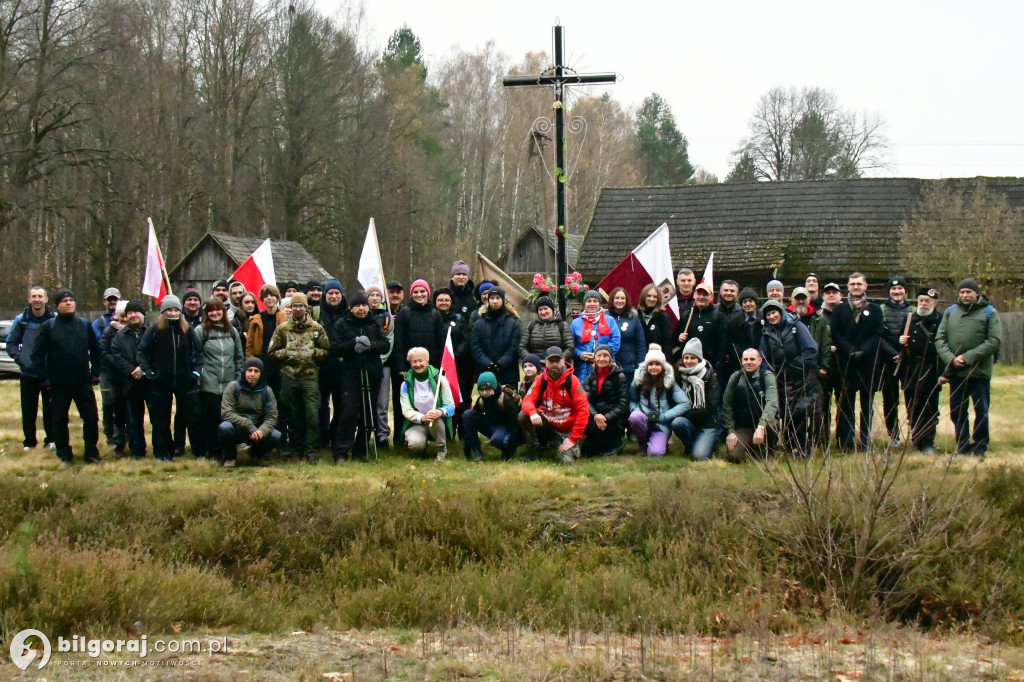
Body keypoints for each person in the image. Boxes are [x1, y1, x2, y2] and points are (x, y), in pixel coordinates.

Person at [30, 288, 101, 464]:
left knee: (91, 418)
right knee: (60, 419)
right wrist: (44, 379)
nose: (68, 303)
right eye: (64, 301)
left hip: (82, 382)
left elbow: (96, 350)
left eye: (71, 300)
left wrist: (95, 373)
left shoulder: (84, 325)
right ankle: (63, 453)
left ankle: (91, 452)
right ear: (57, 306)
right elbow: (37, 355)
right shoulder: (49, 327)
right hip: (58, 383)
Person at [936, 278, 1002, 456]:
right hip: (955, 372)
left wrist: (967, 358)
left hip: (978, 372)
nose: (965, 295)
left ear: (977, 294)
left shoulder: (989, 313)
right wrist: (951, 359)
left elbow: (994, 341)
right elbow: (940, 339)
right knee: (957, 411)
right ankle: (963, 446)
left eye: (968, 292)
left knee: (981, 411)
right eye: (962, 292)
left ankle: (980, 446)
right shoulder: (950, 312)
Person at [138, 295, 202, 461]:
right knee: (161, 419)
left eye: (176, 310)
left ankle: (199, 451)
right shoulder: (154, 330)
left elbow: (199, 352)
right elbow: (142, 353)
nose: (173, 313)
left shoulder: (187, 329)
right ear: (163, 312)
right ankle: (163, 452)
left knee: (193, 416)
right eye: (169, 310)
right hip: (161, 382)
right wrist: (150, 374)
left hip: (185, 381)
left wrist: (195, 373)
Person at [268, 292, 330, 462]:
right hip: (289, 377)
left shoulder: (316, 328)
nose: (298, 308)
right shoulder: (283, 329)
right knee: (293, 416)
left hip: (310, 377)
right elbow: (271, 352)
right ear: (291, 308)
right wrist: (287, 353)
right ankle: (295, 451)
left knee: (312, 415)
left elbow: (326, 350)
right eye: (295, 305)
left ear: (306, 308)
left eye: (301, 305)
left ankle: (311, 453)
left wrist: (313, 352)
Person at [330, 291, 389, 462]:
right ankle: (341, 452)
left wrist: (370, 346)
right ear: (351, 308)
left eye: (363, 305)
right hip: (351, 373)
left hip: (372, 372)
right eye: (357, 305)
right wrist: (353, 343)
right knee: (348, 412)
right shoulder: (342, 323)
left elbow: (385, 345)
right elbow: (335, 347)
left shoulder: (374, 322)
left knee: (368, 413)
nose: (361, 308)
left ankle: (361, 450)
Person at [830, 273, 883, 451]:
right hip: (846, 363)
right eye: (852, 284)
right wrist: (850, 351)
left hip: (867, 363)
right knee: (846, 404)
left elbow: (878, 333)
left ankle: (866, 441)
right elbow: (836, 334)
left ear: (865, 286)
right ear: (848, 286)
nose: (856, 287)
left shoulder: (875, 309)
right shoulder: (839, 309)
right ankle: (847, 441)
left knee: (867, 405)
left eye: (859, 284)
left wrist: (864, 351)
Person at [760, 299, 819, 457]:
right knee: (785, 412)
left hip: (801, 377)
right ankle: (789, 445)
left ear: (780, 312)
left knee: (799, 412)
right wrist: (770, 373)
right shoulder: (766, 332)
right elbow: (763, 357)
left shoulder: (796, 326)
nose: (772, 316)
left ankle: (802, 448)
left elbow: (811, 349)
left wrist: (798, 365)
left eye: (774, 312)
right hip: (780, 378)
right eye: (768, 314)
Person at [519, 346, 589, 464]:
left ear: (563, 361)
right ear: (546, 363)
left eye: (557, 360)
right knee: (523, 415)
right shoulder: (540, 379)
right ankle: (534, 449)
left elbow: (583, 411)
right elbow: (527, 400)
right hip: (547, 424)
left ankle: (561, 444)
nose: (555, 364)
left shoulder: (573, 381)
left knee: (567, 462)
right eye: (551, 361)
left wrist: (573, 438)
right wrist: (532, 413)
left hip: (566, 430)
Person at [194, 297, 244, 461]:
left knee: (228, 419)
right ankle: (214, 453)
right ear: (206, 313)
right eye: (211, 310)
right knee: (211, 419)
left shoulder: (232, 331)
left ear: (223, 311)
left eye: (218, 310)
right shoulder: (201, 331)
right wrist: (199, 378)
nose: (215, 313)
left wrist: (238, 378)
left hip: (229, 384)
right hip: (209, 384)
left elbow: (239, 357)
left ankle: (228, 451)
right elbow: (195, 356)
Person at [7, 285, 55, 450]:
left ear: (46, 299)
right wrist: (21, 360)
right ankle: (29, 442)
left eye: (40, 296)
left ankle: (51, 440)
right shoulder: (21, 320)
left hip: (49, 373)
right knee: (28, 410)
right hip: (28, 373)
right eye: (34, 296)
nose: (37, 300)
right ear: (29, 299)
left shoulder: (54, 320)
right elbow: (11, 343)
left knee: (51, 409)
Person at [900, 288, 942, 454]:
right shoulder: (909, 319)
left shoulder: (940, 320)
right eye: (921, 301)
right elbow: (900, 341)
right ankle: (916, 440)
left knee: (930, 407)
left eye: (927, 301)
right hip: (911, 368)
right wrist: (900, 340)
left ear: (935, 303)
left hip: (931, 369)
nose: (923, 304)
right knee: (912, 406)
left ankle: (928, 442)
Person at [219, 357, 282, 467]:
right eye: (249, 370)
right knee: (225, 428)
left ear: (261, 373)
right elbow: (226, 413)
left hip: (257, 431)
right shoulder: (233, 387)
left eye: (256, 371)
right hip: (237, 428)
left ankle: (255, 455)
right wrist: (248, 425)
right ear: (245, 372)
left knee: (276, 435)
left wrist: (262, 431)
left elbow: (272, 416)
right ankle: (230, 457)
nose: (252, 374)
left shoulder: (267, 391)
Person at [627, 347, 690, 457]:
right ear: (646, 366)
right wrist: (635, 410)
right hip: (643, 418)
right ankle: (642, 444)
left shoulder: (669, 382)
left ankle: (661, 443)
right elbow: (632, 400)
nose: (654, 367)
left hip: (661, 424)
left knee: (656, 453)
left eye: (657, 364)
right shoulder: (638, 380)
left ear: (663, 366)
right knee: (635, 417)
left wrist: (665, 416)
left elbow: (685, 403)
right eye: (651, 364)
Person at [109, 300, 150, 459]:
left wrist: (143, 369)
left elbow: (157, 353)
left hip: (151, 381)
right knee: (134, 420)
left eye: (136, 312)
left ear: (143, 314)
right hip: (130, 382)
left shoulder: (152, 331)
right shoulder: (120, 335)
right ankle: (138, 451)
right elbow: (116, 355)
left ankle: (161, 450)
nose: (133, 315)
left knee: (158, 419)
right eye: (129, 313)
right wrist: (132, 371)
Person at [722, 348, 779, 462]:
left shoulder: (767, 377)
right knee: (733, 457)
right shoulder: (735, 377)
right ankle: (752, 447)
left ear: (760, 361)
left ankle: (769, 449)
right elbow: (727, 405)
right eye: (746, 359)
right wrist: (731, 431)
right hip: (744, 426)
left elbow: (772, 403)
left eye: (752, 359)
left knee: (771, 424)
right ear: (742, 361)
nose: (749, 362)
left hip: (764, 424)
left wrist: (761, 426)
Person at [400, 346, 456, 460]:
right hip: (417, 423)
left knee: (434, 417)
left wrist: (440, 412)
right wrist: (422, 418)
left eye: (421, 361)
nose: (418, 364)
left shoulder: (440, 380)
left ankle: (442, 448)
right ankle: (421, 447)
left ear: (427, 361)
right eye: (414, 361)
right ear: (410, 363)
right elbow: (406, 410)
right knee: (415, 444)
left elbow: (451, 406)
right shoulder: (406, 384)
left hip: (437, 422)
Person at [672, 338, 720, 461]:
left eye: (692, 358)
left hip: (707, 422)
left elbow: (711, 405)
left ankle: (711, 442)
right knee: (677, 423)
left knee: (700, 457)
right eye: (686, 357)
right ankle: (690, 446)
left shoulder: (709, 375)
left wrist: (687, 413)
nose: (689, 361)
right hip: (688, 421)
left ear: (699, 359)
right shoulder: (678, 374)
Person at [879, 276, 913, 446]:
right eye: (893, 289)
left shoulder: (913, 311)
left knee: (912, 398)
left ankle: (915, 433)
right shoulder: (882, 310)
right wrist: (893, 353)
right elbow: (879, 336)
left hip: (909, 362)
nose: (897, 291)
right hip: (889, 361)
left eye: (900, 288)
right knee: (890, 400)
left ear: (905, 291)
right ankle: (893, 435)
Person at [581, 344, 629, 457]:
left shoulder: (619, 376)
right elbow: (586, 401)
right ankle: (604, 444)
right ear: (595, 358)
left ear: (610, 358)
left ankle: (616, 443)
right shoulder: (590, 377)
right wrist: (596, 416)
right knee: (587, 453)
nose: (602, 359)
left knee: (595, 432)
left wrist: (606, 417)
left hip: (614, 419)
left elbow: (623, 403)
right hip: (596, 417)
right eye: (599, 356)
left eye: (605, 356)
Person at [462, 371, 521, 461]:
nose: (484, 393)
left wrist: (510, 449)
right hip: (490, 425)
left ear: (494, 387)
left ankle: (505, 449)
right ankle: (477, 451)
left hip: (505, 428)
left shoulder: (506, 399)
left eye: (488, 389)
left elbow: (514, 425)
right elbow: (471, 422)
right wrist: (468, 446)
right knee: (468, 415)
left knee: (497, 440)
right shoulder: (481, 400)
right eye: (481, 390)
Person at [317, 278, 348, 448]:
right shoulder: (317, 314)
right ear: (325, 295)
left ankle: (337, 436)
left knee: (341, 404)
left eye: (337, 293)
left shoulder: (348, 314)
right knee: (321, 405)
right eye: (330, 293)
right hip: (321, 367)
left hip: (342, 367)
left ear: (342, 295)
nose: (334, 296)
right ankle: (323, 437)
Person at [471, 286, 522, 388]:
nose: (495, 301)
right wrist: (488, 364)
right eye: (492, 298)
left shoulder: (513, 324)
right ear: (488, 300)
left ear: (503, 300)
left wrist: (501, 364)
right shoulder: (479, 324)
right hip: (485, 373)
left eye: (498, 298)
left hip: (508, 374)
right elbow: (476, 347)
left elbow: (514, 348)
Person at [448, 260, 478, 418]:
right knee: (450, 389)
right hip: (449, 353)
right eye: (458, 274)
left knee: (466, 390)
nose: (461, 277)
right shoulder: (446, 296)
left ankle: (465, 423)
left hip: (467, 354)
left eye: (464, 274)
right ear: (452, 276)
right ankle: (451, 421)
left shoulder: (473, 298)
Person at [674, 281, 726, 372]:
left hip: (709, 367)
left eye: (705, 294)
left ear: (711, 297)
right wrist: (679, 338)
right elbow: (676, 341)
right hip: (688, 365)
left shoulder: (719, 317)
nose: (701, 297)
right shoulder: (686, 315)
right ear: (694, 295)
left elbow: (722, 345)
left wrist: (718, 368)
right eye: (699, 294)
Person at [394, 279, 445, 370]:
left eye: (422, 291)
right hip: (410, 366)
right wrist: (400, 367)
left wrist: (442, 365)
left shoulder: (435, 314)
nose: (419, 295)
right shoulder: (404, 313)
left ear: (427, 293)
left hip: (431, 366)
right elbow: (398, 342)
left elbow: (441, 341)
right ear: (412, 294)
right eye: (415, 292)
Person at [571, 290, 621, 382]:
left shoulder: (610, 320)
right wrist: (580, 354)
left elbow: (616, 341)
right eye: (589, 301)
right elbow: (571, 345)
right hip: (583, 368)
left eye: (595, 301)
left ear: (599, 304)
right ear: (584, 304)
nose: (592, 304)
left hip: (606, 365)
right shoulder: (575, 323)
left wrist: (600, 355)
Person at [98, 300, 128, 454]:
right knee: (114, 408)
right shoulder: (109, 331)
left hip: (131, 376)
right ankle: (116, 440)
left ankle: (132, 440)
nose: (125, 318)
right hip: (114, 375)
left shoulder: (136, 331)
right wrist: (116, 363)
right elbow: (102, 350)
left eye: (127, 315)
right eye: (122, 315)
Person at [366, 285, 394, 449]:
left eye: (378, 295)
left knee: (382, 404)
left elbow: (389, 341)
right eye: (371, 295)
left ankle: (382, 435)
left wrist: (380, 360)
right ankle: (365, 432)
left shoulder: (387, 317)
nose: (375, 298)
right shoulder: (361, 314)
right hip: (364, 364)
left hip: (383, 364)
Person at [816, 282, 843, 447]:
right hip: (825, 366)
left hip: (842, 365)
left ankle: (842, 439)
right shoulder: (818, 316)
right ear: (823, 296)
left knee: (843, 403)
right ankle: (822, 439)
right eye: (828, 292)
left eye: (834, 292)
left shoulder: (846, 313)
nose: (831, 295)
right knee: (823, 404)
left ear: (840, 295)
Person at [724, 287, 761, 383]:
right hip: (740, 365)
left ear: (756, 303)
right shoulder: (733, 322)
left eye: (751, 301)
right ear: (741, 305)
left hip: (762, 364)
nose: (748, 304)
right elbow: (731, 344)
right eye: (745, 302)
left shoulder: (764, 319)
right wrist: (745, 359)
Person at [606, 287, 646, 375]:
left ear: (626, 300)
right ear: (612, 300)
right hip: (608, 367)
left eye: (622, 298)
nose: (620, 301)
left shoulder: (634, 318)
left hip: (630, 367)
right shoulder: (605, 318)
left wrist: (640, 367)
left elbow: (641, 344)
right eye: (617, 298)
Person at [519, 295, 572, 361]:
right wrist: (532, 361)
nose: (543, 312)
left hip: (557, 365)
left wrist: (558, 361)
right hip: (536, 365)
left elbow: (570, 347)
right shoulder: (531, 326)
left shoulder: (562, 325)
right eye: (540, 309)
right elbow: (522, 347)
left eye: (545, 308)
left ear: (552, 310)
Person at [635, 283, 674, 355]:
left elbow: (667, 344)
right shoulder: (635, 316)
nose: (652, 299)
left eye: (655, 297)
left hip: (656, 359)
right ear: (643, 297)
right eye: (649, 296)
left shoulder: (663, 317)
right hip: (638, 358)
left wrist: (666, 361)